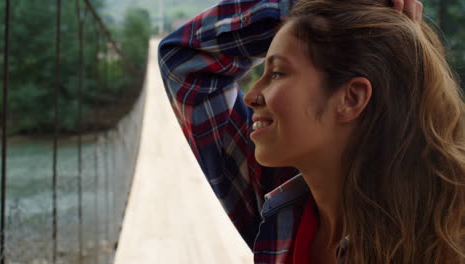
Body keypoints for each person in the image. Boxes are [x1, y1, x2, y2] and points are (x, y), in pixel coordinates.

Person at [158, 0, 465, 263]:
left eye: (277, 73)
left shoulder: (453, 233)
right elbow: (184, 61)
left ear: (351, 98)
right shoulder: (277, 205)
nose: (251, 96)